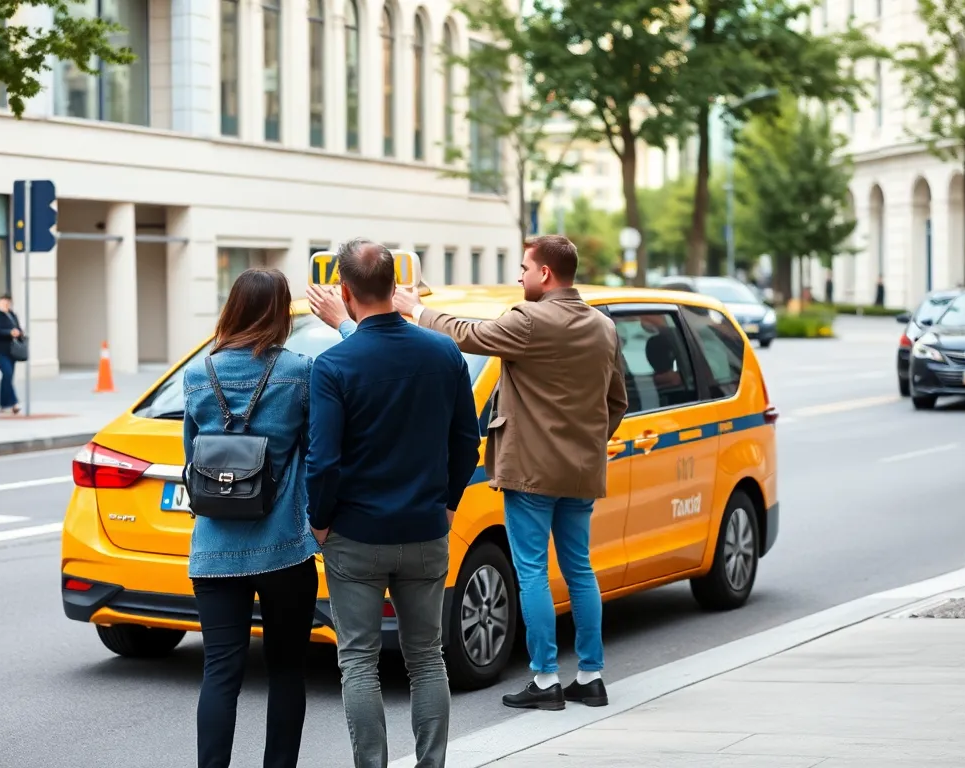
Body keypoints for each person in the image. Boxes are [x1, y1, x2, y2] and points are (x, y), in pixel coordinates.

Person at [395, 234, 629, 711]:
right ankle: (591, 675)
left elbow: (469, 334)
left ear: (545, 273)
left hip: (530, 473)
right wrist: (586, 444)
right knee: (580, 570)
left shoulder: (529, 320)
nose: (519, 276)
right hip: (581, 471)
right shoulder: (603, 327)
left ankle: (545, 680)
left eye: (524, 268)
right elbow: (617, 401)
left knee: (532, 573)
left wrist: (415, 310)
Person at [305, 239, 480, 768]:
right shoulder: (444, 352)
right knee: (427, 659)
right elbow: (466, 442)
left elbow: (323, 461)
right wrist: (448, 505)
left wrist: (319, 522)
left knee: (358, 662)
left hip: (355, 535)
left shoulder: (333, 366)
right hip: (426, 530)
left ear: (345, 292)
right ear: (394, 287)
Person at [181, 268, 320, 768]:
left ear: (232, 308)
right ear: (281, 312)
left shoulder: (198, 373)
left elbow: (191, 461)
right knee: (286, 672)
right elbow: (317, 454)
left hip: (214, 550)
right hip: (284, 547)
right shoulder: (300, 371)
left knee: (220, 672)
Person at [0, 295, 22, 414]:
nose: (3, 305)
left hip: (11, 351)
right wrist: (10, 332)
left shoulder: (13, 316)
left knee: (7, 377)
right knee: (7, 373)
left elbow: (18, 328)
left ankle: (3, 404)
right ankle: (14, 403)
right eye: (1, 303)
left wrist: (18, 332)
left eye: (5, 303)